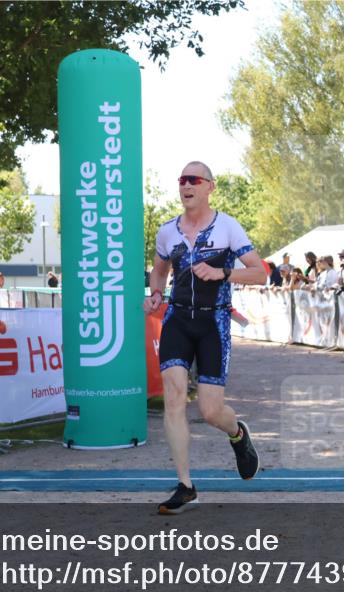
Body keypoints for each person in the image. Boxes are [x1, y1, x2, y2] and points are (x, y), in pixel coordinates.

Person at [144, 161, 266, 515]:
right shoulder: (167, 231)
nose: (186, 185)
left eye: (193, 180)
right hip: (178, 319)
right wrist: (154, 294)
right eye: (182, 179)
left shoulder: (228, 227)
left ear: (210, 187)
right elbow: (160, 271)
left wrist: (222, 272)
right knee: (174, 397)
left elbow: (260, 273)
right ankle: (185, 486)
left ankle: (238, 434)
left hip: (213, 323)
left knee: (210, 411)